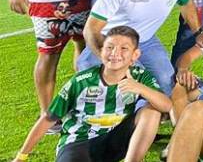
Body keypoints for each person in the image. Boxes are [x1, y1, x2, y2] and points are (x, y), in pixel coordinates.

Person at [14, 26, 171, 162]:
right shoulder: (81, 81)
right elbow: (48, 118)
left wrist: (140, 88)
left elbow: (166, 105)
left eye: (124, 48)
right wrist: (22, 156)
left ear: (135, 55)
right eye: (110, 47)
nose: (115, 53)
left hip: (114, 138)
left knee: (152, 111)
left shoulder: (139, 76)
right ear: (101, 51)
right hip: (79, 142)